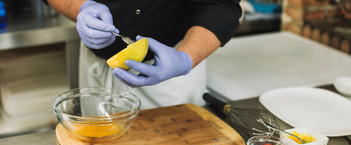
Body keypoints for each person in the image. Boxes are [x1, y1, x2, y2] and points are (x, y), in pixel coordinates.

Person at [43, 0, 242, 109]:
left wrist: (185, 58)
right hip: (96, 65)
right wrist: (82, 9)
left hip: (171, 74)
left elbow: (221, 4)